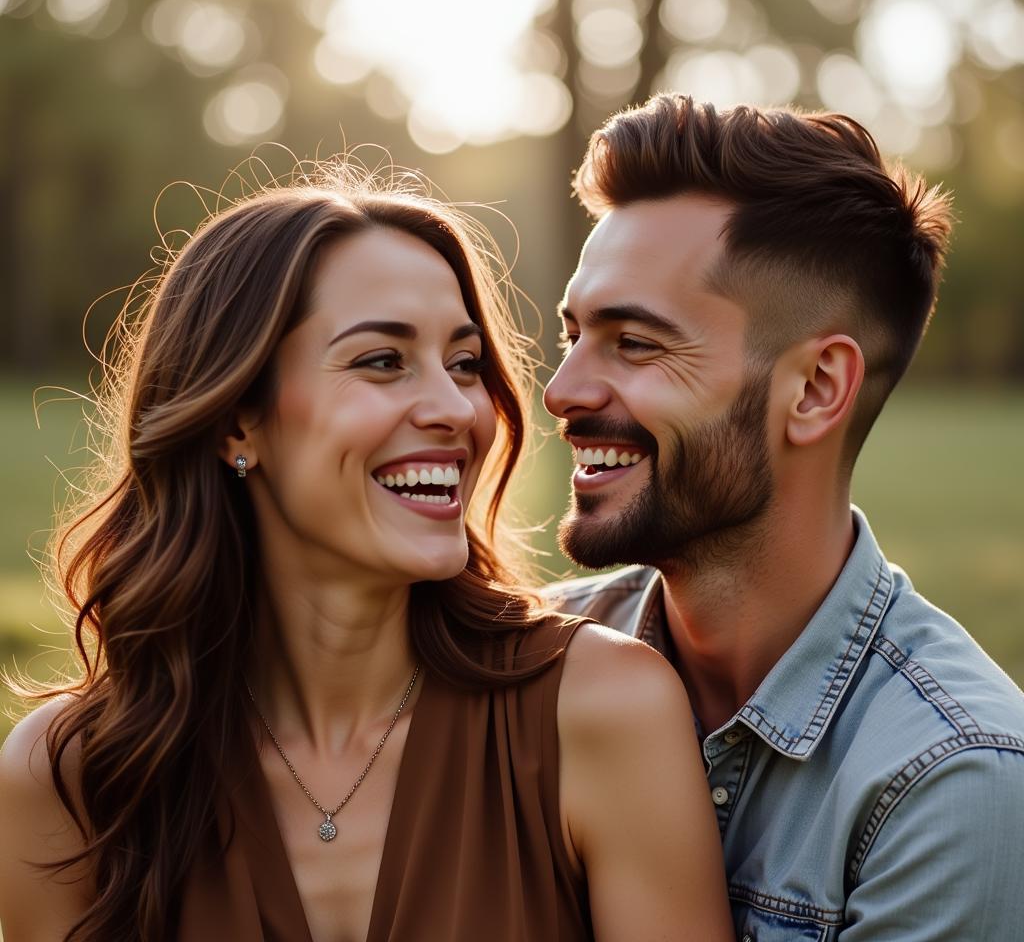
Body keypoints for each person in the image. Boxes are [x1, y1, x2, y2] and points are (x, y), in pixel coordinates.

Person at [0, 164, 734, 941]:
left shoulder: (600, 712)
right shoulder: (71, 778)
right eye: (382, 361)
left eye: (464, 364)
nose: (456, 409)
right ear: (236, 422)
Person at [545, 94, 1024, 940]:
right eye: (573, 334)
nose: (563, 391)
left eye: (637, 343)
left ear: (814, 390)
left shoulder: (954, 781)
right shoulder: (533, 665)